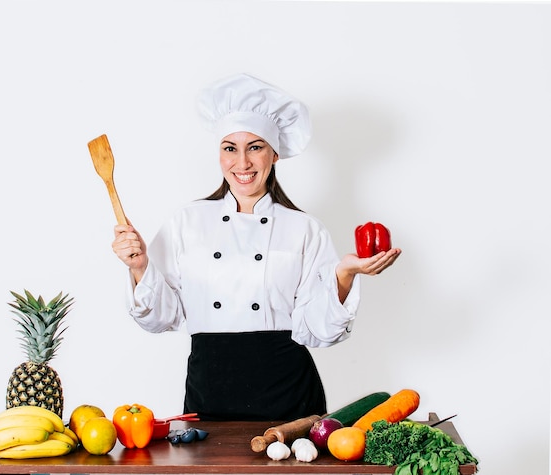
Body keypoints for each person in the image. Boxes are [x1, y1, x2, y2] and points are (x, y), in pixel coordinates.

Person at [112, 73, 401, 421]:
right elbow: (161, 318)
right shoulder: (186, 222)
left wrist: (342, 275)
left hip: (289, 395)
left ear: (275, 154)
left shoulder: (305, 229)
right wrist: (140, 267)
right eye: (230, 148)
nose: (243, 163)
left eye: (255, 147)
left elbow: (320, 330)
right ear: (219, 153)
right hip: (209, 388)